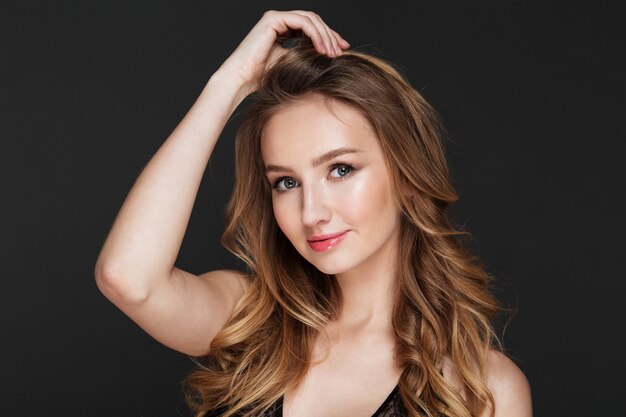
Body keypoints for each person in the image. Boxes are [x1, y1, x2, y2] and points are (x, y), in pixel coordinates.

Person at [94, 10, 532, 417]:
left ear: (407, 173)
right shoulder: (251, 321)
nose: (312, 213)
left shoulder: (481, 390)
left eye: (340, 170)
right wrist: (230, 85)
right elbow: (128, 278)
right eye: (286, 182)